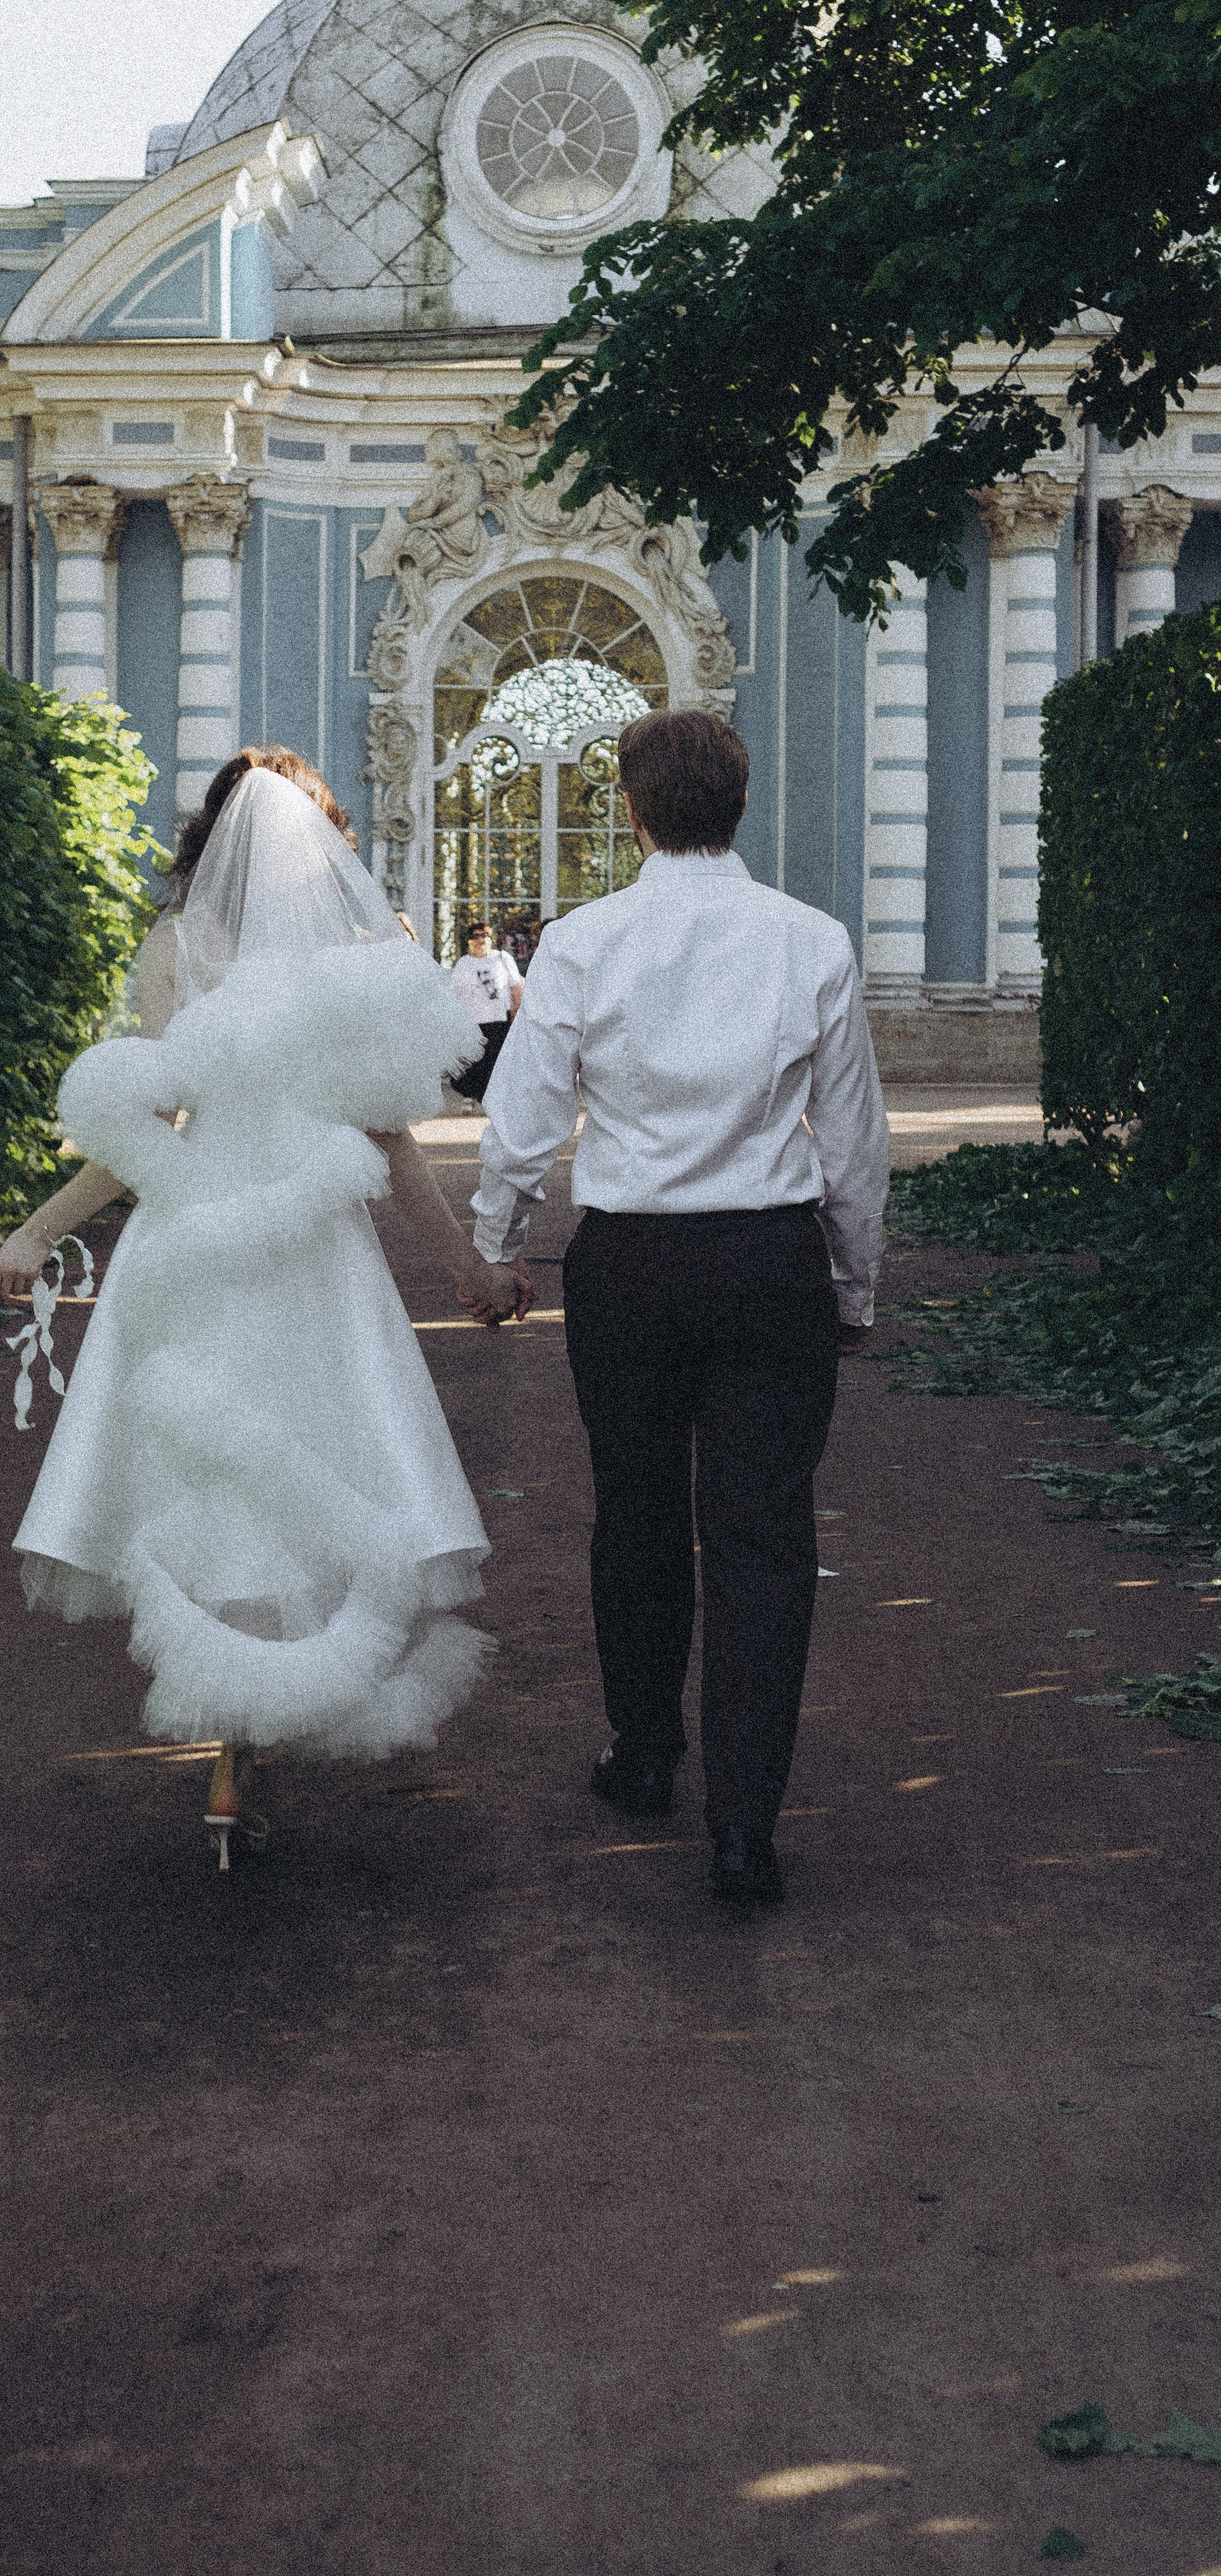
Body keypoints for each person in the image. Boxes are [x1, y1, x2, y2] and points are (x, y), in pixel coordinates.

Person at [0, 749, 533, 1867]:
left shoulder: (178, 950)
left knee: (221, 1476)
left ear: (209, 838)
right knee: (323, 1461)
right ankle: (267, 1718)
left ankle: (235, 1749)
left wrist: (43, 1228)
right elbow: (391, 1142)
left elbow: (150, 1121)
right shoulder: (359, 958)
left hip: (193, 1246)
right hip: (315, 1254)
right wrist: (469, 1275)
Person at [471, 709, 890, 1908]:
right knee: (765, 1540)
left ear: (635, 810)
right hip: (770, 1264)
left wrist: (496, 1253)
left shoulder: (585, 944)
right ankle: (745, 1828)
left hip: (630, 1271)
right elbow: (855, 1141)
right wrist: (853, 1284)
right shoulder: (810, 940)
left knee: (639, 1518)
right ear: (740, 805)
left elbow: (527, 1121)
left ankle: (646, 1757)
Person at [447, 920, 523, 1106]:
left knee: (496, 1062)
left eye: (484, 936)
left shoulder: (502, 959)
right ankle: (472, 1097)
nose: (480, 940)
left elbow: (516, 987)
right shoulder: (464, 963)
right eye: (475, 937)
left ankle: (493, 1100)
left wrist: (516, 1013)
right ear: (469, 941)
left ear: (491, 939)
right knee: (473, 1063)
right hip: (474, 1022)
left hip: (499, 1019)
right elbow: (455, 993)